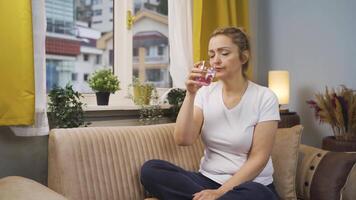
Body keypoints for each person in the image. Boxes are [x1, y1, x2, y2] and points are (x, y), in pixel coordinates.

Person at [140, 26, 280, 200]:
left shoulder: (265, 97)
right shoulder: (205, 93)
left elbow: (259, 159)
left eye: (224, 53)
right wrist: (190, 93)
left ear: (243, 57)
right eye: (212, 54)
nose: (216, 60)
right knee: (151, 170)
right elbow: (183, 139)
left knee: (258, 195)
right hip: (207, 180)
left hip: (249, 185)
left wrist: (220, 193)